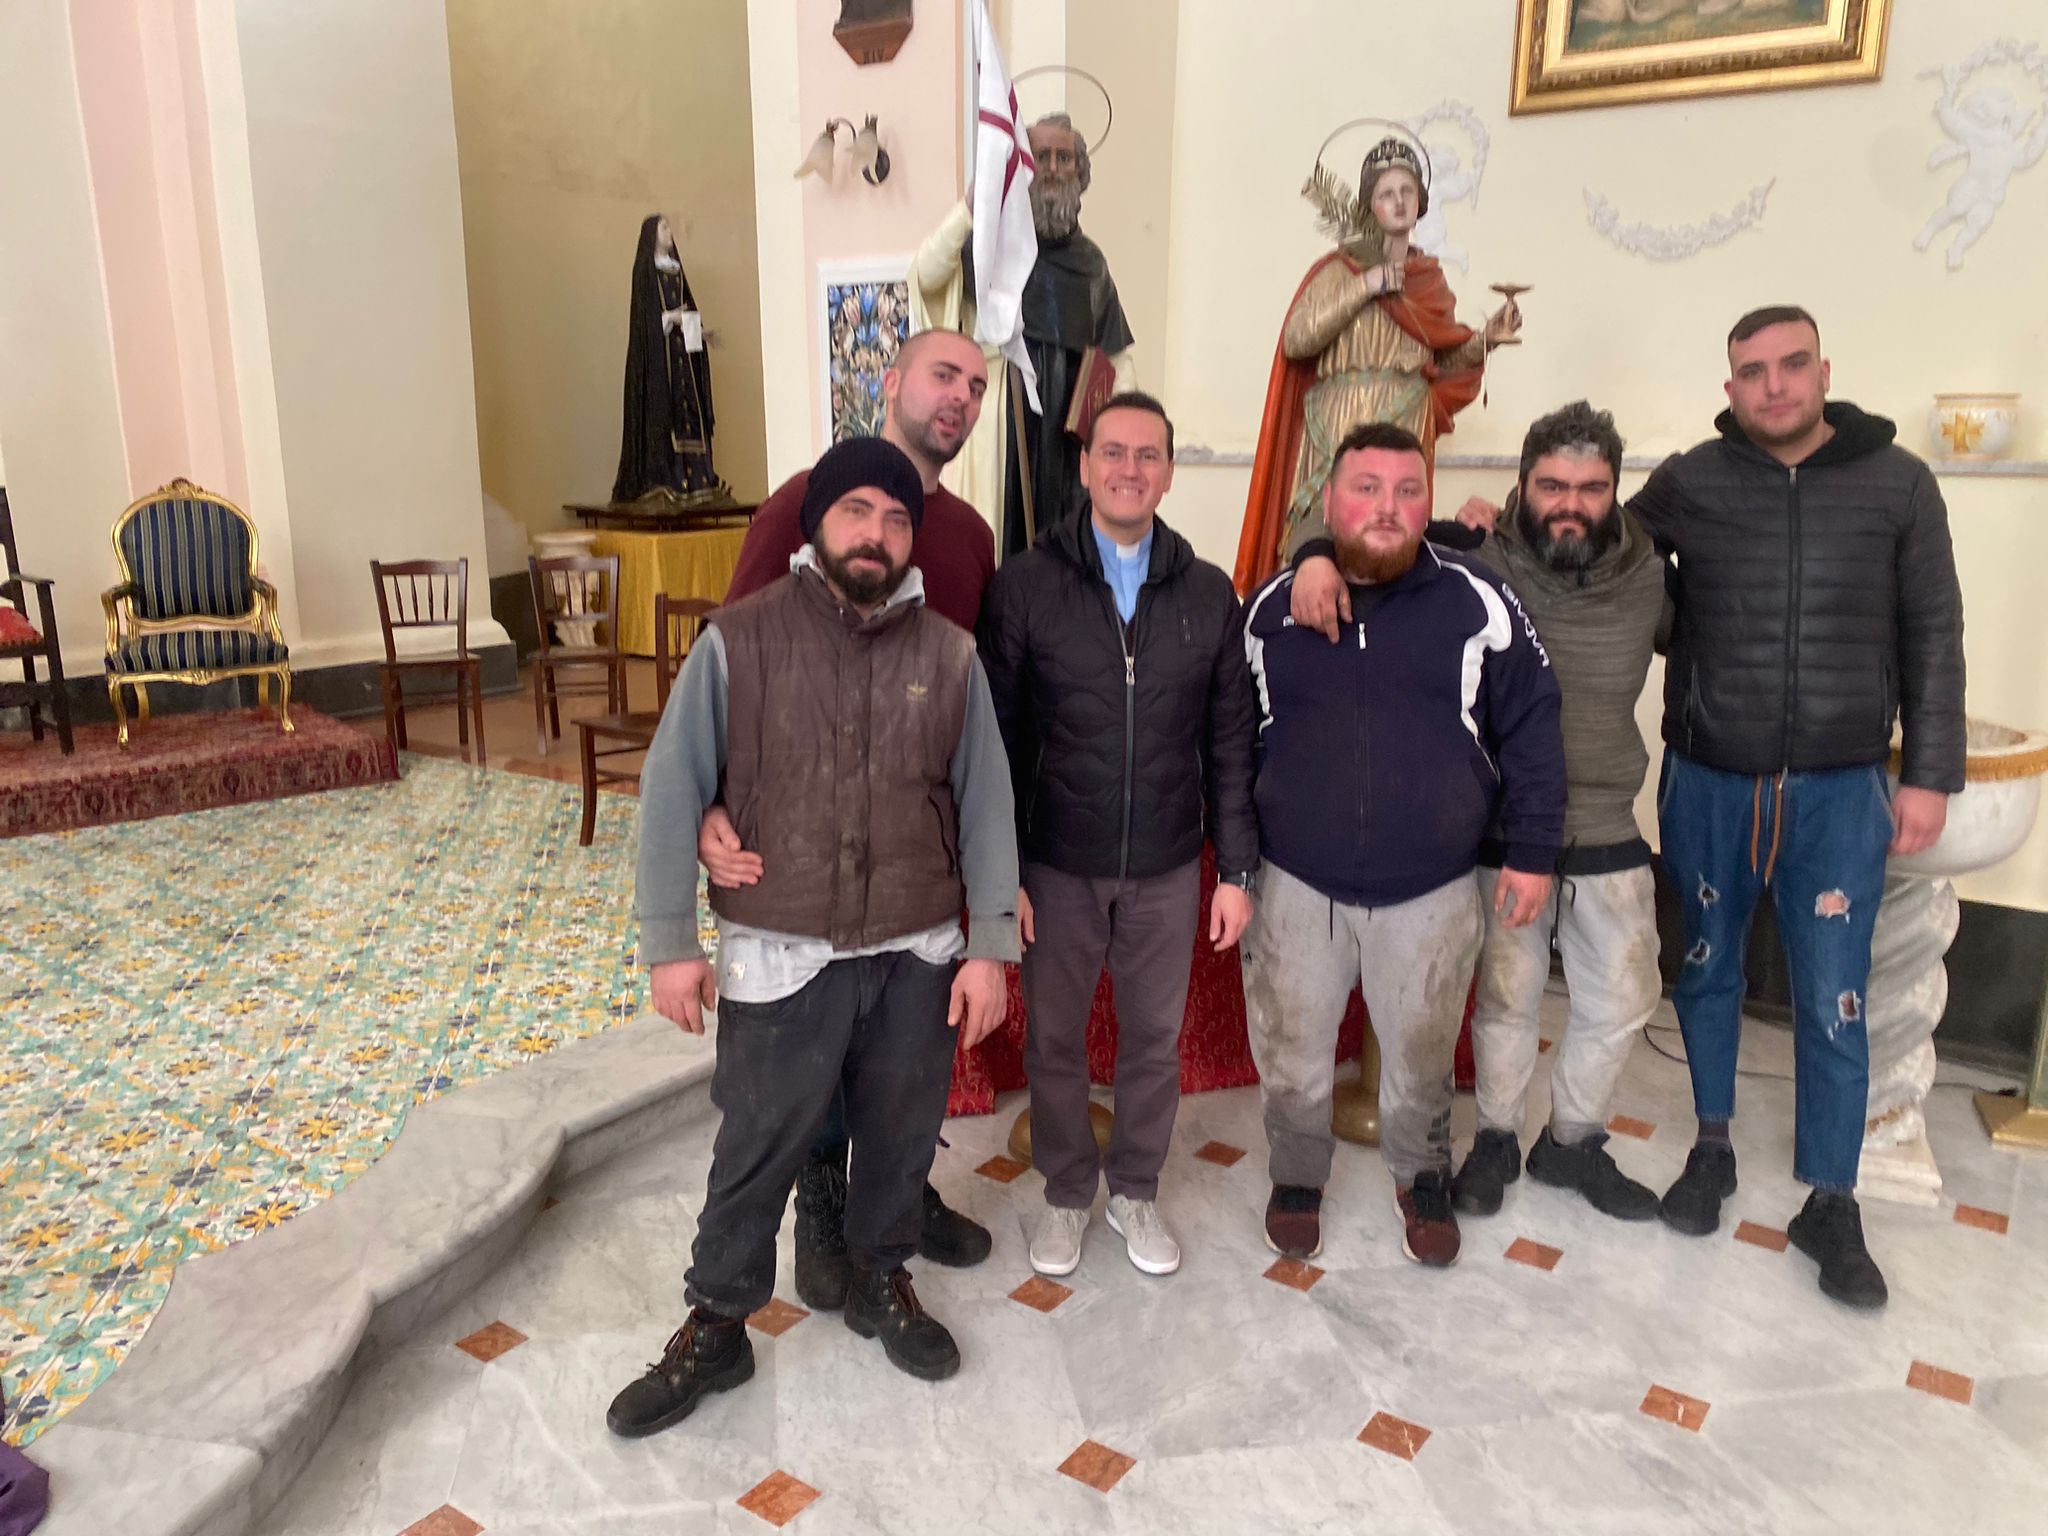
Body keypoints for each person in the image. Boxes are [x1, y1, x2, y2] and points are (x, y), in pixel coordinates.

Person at [609, 438, 1019, 1438]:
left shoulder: (949, 655)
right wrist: (670, 942)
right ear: (816, 524)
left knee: (900, 1133)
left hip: (916, 947)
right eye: (855, 512)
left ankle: (880, 1279)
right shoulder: (738, 641)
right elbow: (672, 784)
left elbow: (987, 808)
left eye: (895, 518)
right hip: (781, 945)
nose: (876, 534)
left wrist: (991, 947)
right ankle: (717, 1324)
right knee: (756, 1144)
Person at [1632, 305, 1964, 1310]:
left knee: (1833, 998)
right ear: (1729, 387)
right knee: (1704, 971)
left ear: (1823, 371)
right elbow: (1605, 562)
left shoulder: (1898, 483)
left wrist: (1929, 775)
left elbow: (1933, 633)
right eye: (1751, 371)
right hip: (1708, 779)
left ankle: (1831, 1199)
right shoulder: (1692, 479)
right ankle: (1711, 1146)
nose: (1771, 385)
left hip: (1838, 790)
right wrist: (1503, 521)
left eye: (1789, 365)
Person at [1291, 401, 1666, 1221]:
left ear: (1616, 491)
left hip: (1609, 819)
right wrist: (1313, 554)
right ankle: (1496, 1137)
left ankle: (1574, 1139)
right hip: (1501, 828)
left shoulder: (1650, 572)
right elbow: (1366, 532)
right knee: (1505, 997)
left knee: (1625, 996)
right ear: (1522, 486)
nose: (1571, 504)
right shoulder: (1475, 552)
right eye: (1553, 486)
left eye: (1592, 488)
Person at [704, 327, 998, 1301]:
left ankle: (897, 1191)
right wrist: (707, 805)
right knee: (819, 1041)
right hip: (803, 847)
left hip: (911, 844)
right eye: (943, 375)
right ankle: (821, 1200)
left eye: (976, 386)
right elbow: (729, 662)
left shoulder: (970, 538)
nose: (959, 397)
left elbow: (974, 698)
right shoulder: (801, 505)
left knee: (898, 1050)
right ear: (892, 379)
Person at [1241, 422, 1564, 1268]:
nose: (1387, 507)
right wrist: (1236, 865)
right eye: (1367, 488)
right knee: (1291, 1051)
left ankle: (1422, 1176)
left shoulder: (1479, 600)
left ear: (1428, 503)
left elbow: (1534, 724)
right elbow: (1228, 741)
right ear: (1329, 502)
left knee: (1422, 1054)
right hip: (1295, 881)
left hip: (1431, 885)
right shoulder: (1270, 611)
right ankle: (1296, 1176)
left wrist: (1533, 850)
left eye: (1407, 490)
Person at [978, 392, 1257, 1278]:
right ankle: (1067, 1194)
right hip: (1057, 864)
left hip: (1168, 867)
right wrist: (1001, 873)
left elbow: (1231, 741)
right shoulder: (1026, 586)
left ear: (1168, 473)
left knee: (1151, 1041)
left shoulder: (1207, 592)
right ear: (1086, 466)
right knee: (1055, 1040)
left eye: (1148, 455)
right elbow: (994, 742)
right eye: (1113, 452)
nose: (1129, 469)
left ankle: (1135, 1187)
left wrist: (1236, 870)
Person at [1234, 135, 1520, 592]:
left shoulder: (1428, 279)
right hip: (1340, 415)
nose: (1399, 201)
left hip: (1407, 413)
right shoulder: (1339, 270)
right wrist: (1365, 285)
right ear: (1370, 205)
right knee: (1327, 530)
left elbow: (1439, 357)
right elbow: (1298, 339)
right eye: (1387, 193)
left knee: (1394, 534)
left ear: (1421, 201)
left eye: (1408, 191)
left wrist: (1485, 340)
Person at [612, 213, 728, 507]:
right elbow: (644, 322)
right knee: (668, 413)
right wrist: (669, 318)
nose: (669, 231)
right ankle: (666, 480)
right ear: (652, 234)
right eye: (664, 227)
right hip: (659, 360)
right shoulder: (645, 271)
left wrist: (701, 333)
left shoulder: (676, 270)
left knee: (689, 412)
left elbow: (687, 310)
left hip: (681, 357)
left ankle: (697, 482)